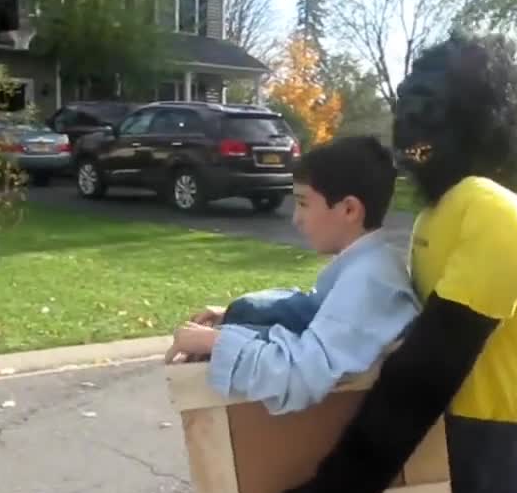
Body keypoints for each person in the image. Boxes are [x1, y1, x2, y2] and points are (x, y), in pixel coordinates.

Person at [219, 32, 517, 493]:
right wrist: (249, 314)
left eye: (428, 112)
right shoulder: (442, 213)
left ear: (477, 116)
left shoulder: (493, 215)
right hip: (441, 443)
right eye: (407, 109)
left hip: (479, 456)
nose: (411, 132)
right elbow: (371, 317)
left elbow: (417, 383)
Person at [164, 135, 420, 416]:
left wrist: (215, 342)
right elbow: (316, 315)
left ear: (349, 209)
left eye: (303, 203)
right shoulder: (370, 267)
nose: (295, 218)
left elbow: (299, 377)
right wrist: (232, 316)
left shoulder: (369, 283)